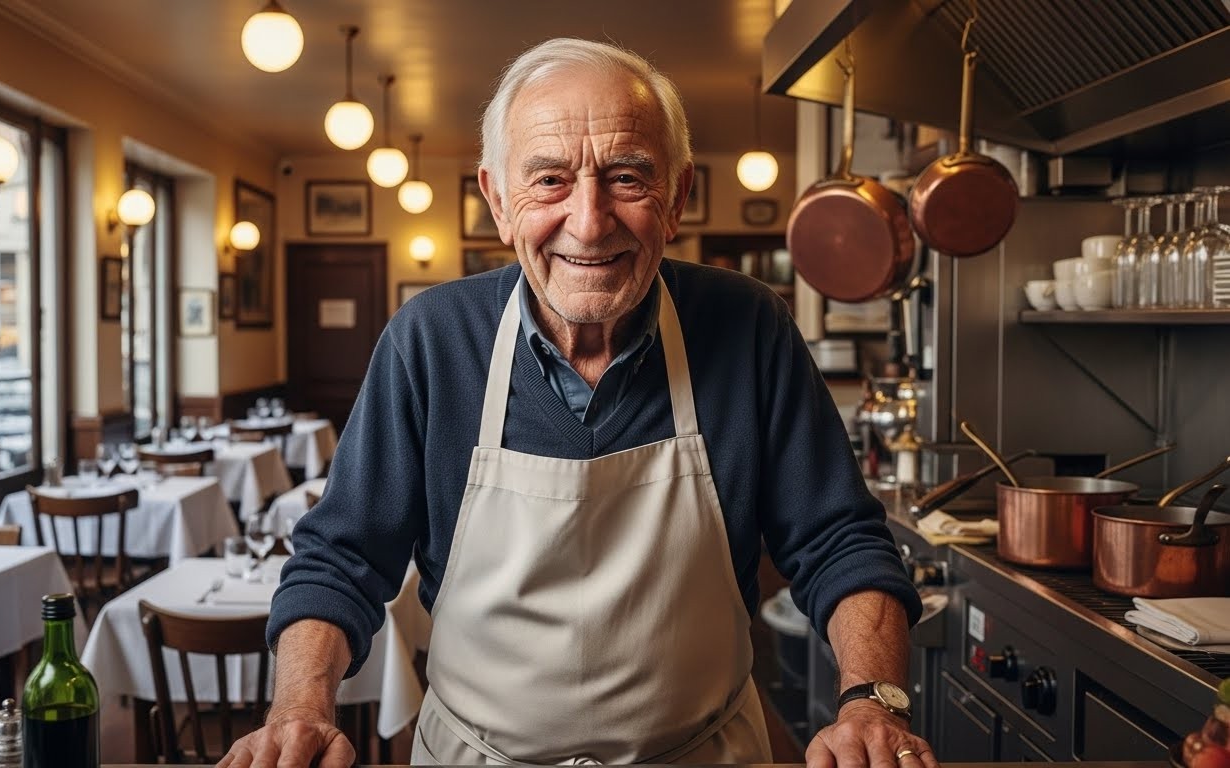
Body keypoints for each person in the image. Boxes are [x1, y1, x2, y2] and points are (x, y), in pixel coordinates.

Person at [219, 38, 930, 768]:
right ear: (497, 199)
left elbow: (838, 539)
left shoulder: (748, 327)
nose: (588, 223)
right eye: (550, 181)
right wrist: (299, 709)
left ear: (678, 196)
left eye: (626, 178)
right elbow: (341, 557)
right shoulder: (429, 340)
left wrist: (871, 702)